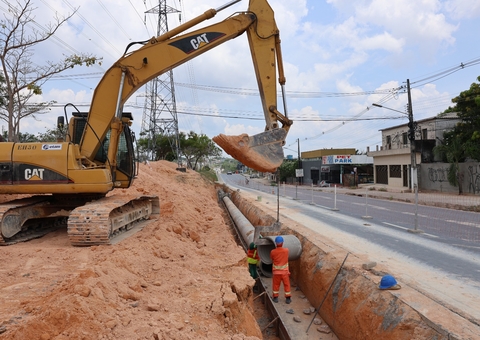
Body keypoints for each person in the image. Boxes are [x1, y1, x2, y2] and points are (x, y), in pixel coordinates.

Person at [270, 236, 291, 304]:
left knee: (276, 284)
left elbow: (272, 258)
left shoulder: (273, 252)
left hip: (276, 272)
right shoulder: (286, 250)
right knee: (286, 284)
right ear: (282, 243)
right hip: (285, 272)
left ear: (276, 243)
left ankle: (275, 298)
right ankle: (288, 298)